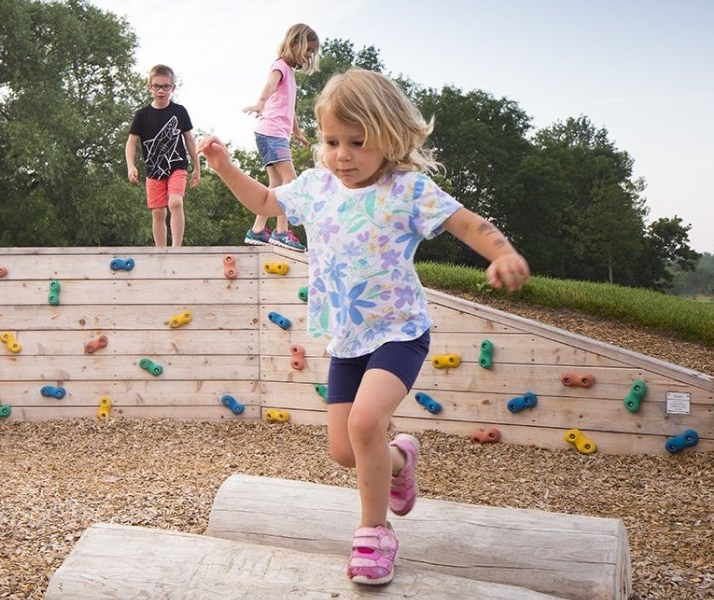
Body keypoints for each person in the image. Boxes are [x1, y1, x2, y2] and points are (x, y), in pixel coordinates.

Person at [199, 69, 530, 586]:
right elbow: (266, 204)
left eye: (358, 143)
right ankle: (401, 459)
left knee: (364, 423)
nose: (343, 155)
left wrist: (502, 251)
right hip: (347, 339)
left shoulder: (407, 190)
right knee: (344, 451)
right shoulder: (316, 188)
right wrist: (224, 167)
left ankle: (375, 534)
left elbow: (465, 222)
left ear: (390, 138)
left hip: (400, 332)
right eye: (332, 142)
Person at [241, 23, 318, 253]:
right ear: (295, 44)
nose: (309, 56)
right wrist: (260, 102)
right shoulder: (280, 66)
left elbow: (289, 108)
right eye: (307, 51)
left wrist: (298, 134)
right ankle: (281, 232)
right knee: (291, 182)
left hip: (274, 133)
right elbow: (270, 85)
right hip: (271, 131)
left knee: (275, 184)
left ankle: (257, 230)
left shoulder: (291, 74)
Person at [126, 64, 200, 247]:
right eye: (157, 86)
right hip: (153, 169)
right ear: (149, 87)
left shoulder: (179, 111)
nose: (161, 90)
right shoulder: (142, 115)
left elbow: (189, 140)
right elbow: (131, 142)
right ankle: (161, 252)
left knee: (175, 202)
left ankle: (176, 249)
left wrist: (197, 167)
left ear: (173, 87)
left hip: (177, 166)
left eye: (166, 86)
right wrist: (131, 165)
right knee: (158, 212)